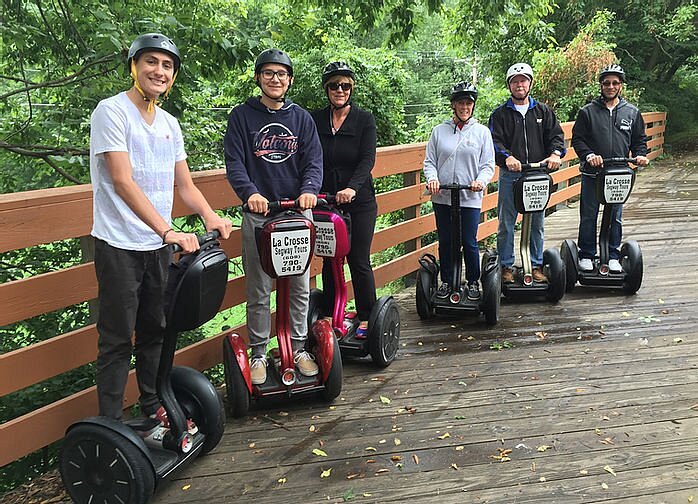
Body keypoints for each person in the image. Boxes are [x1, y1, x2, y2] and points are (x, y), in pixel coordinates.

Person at [90, 33, 232, 425]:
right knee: (117, 339)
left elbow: (184, 186)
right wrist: (168, 230)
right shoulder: (112, 112)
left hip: (156, 248)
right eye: (151, 61)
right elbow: (122, 180)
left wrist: (210, 216)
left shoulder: (169, 123)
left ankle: (152, 405)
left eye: (167, 65)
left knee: (155, 328)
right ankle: (110, 426)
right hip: (119, 245)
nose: (159, 70)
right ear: (134, 66)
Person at [224, 48, 323, 385]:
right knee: (259, 287)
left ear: (289, 79)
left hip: (297, 213)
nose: (275, 79)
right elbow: (235, 162)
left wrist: (309, 189)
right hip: (259, 215)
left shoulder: (302, 118)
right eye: (268, 73)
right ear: (258, 78)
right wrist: (250, 194)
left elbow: (313, 160)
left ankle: (296, 348)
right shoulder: (242, 116)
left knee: (299, 285)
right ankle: (258, 354)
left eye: (281, 74)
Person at [310, 61, 377, 338]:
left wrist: (352, 188)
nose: (340, 90)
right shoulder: (315, 120)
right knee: (330, 260)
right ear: (327, 89)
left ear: (352, 88)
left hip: (359, 202)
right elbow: (310, 157)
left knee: (358, 259)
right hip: (326, 202)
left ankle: (367, 316)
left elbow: (367, 160)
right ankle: (330, 314)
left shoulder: (364, 120)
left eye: (345, 85)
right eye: (335, 85)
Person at [489, 62, 566, 284]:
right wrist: (508, 158)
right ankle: (506, 266)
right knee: (506, 222)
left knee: (537, 222)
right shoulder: (500, 114)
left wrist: (554, 154)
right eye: (515, 81)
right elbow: (494, 142)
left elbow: (557, 137)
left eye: (523, 80)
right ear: (509, 86)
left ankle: (535, 264)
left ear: (530, 83)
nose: (519, 84)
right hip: (511, 175)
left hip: (537, 174)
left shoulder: (543, 111)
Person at [571, 63, 649, 273]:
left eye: (615, 83)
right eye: (607, 83)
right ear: (601, 85)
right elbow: (578, 140)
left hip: (619, 173)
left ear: (621, 86)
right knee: (589, 214)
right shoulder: (587, 112)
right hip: (593, 173)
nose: (611, 86)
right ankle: (586, 254)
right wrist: (589, 155)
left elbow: (639, 140)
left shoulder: (631, 112)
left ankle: (613, 254)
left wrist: (640, 155)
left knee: (615, 215)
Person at [423, 82, 495, 301]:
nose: (465, 107)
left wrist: (480, 182)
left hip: (469, 196)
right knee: (445, 240)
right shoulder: (439, 131)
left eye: (469, 103)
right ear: (453, 105)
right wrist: (433, 179)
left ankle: (473, 281)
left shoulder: (481, 132)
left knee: (469, 241)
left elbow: (488, 165)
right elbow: (430, 162)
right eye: (460, 103)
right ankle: (446, 281)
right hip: (443, 196)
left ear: (473, 106)